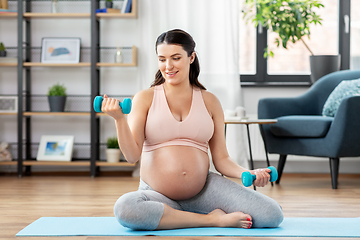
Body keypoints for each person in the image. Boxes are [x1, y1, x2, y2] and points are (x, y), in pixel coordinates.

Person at [101, 29, 283, 230]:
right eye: (162, 59)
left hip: (204, 192)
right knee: (126, 208)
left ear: (191, 57)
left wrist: (247, 172)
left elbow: (221, 159)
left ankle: (176, 217)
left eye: (175, 58)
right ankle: (212, 219)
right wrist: (119, 120)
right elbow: (131, 155)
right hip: (157, 195)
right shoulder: (145, 98)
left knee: (272, 215)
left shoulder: (210, 101)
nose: (168, 66)